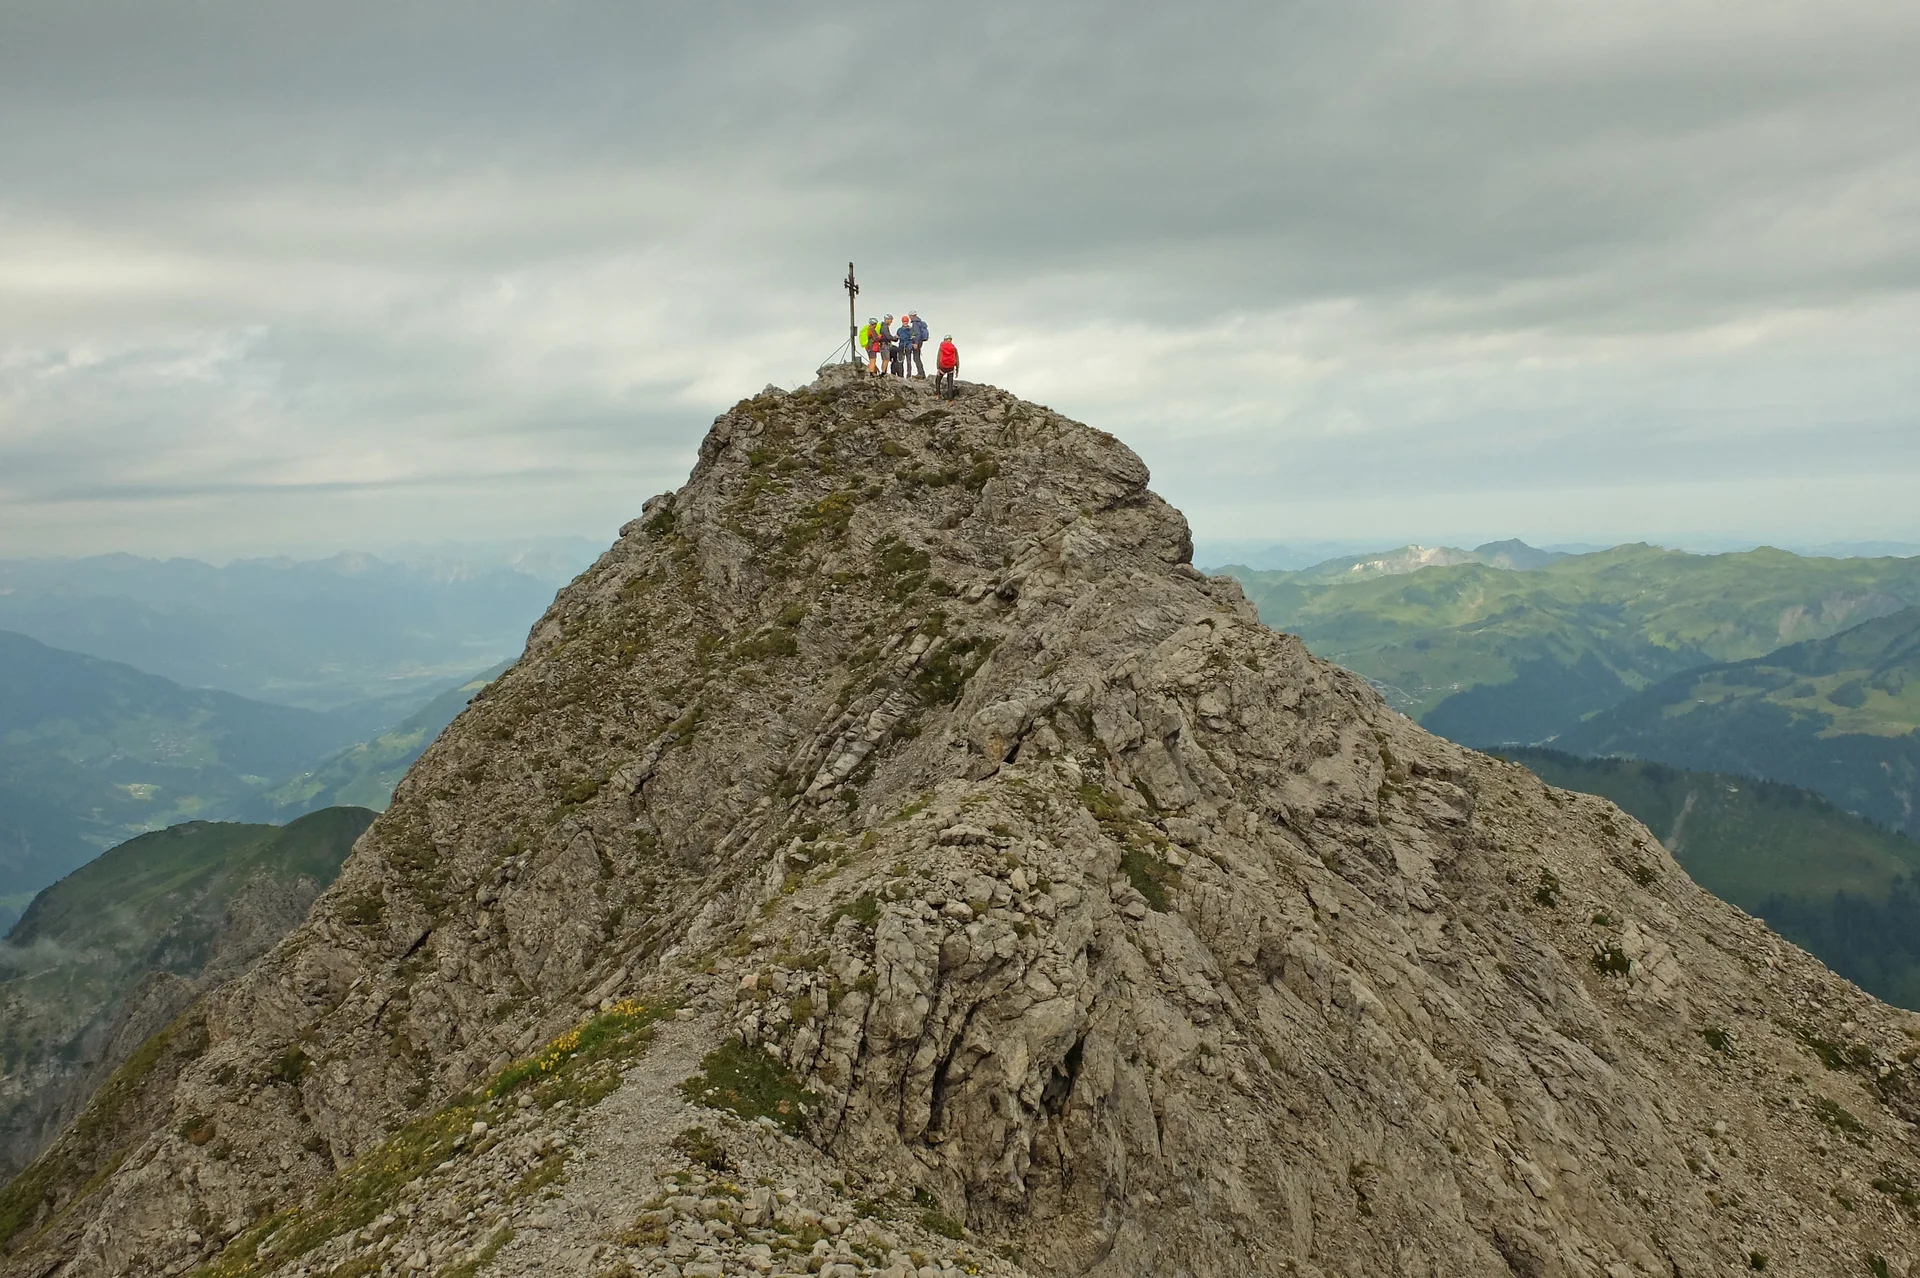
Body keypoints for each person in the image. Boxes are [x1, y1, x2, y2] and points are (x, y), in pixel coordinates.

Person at [935, 334, 959, 399]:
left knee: (937, 380)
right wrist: (957, 370)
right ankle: (950, 399)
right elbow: (957, 359)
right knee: (950, 383)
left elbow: (939, 357)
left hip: (942, 367)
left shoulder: (941, 347)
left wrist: (938, 367)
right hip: (951, 368)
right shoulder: (954, 348)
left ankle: (937, 395)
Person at [906, 311, 929, 378]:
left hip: (917, 342)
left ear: (911, 316)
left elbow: (917, 334)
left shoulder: (915, 323)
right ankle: (921, 373)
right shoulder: (919, 322)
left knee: (916, 358)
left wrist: (915, 343)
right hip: (920, 342)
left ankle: (921, 374)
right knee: (917, 358)